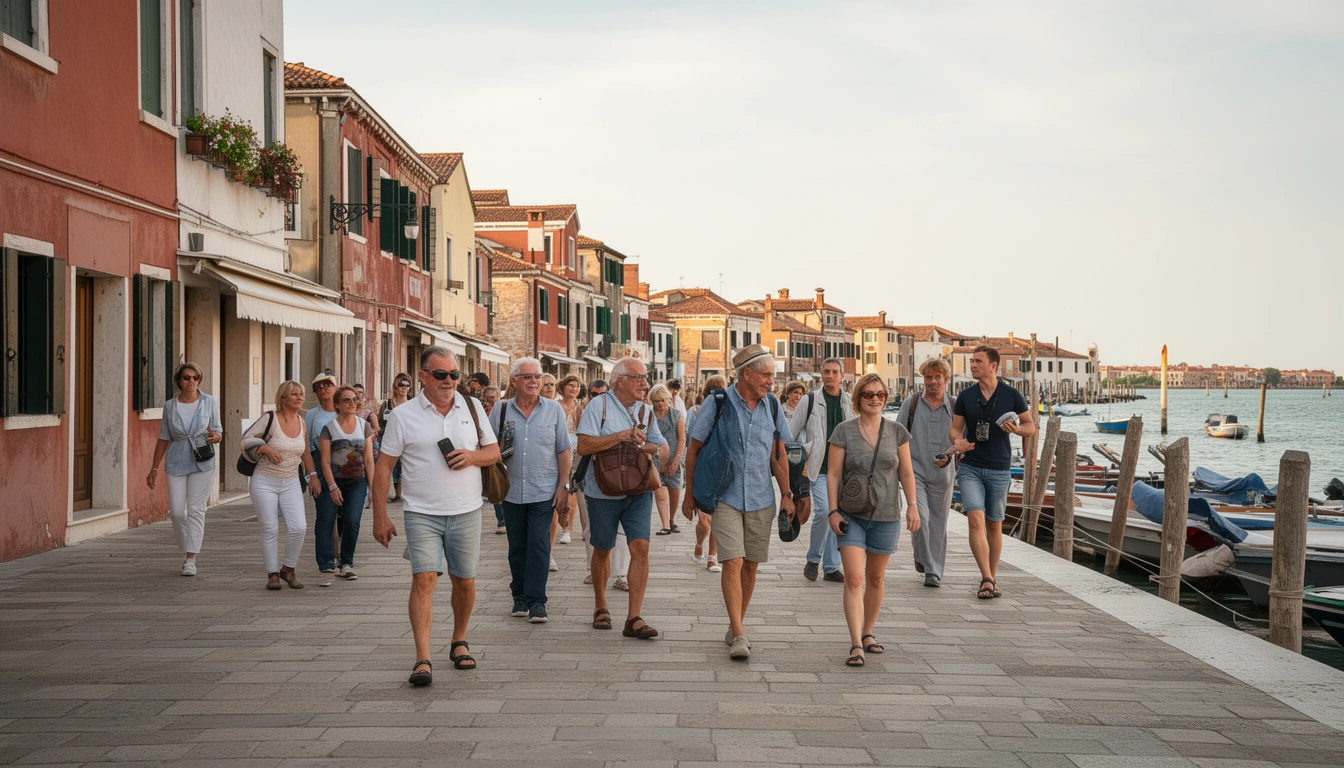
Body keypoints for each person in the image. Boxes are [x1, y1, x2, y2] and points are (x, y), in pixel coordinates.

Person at [371, 346, 499, 686]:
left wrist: (472, 457)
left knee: (465, 580)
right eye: (440, 375)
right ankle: (422, 658)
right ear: (423, 377)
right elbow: (384, 467)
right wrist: (379, 516)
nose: (448, 381)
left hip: (467, 509)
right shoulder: (403, 415)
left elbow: (494, 451)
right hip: (421, 512)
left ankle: (459, 639)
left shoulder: (471, 407)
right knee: (424, 579)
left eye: (454, 374)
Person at [683, 346, 796, 660]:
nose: (771, 382)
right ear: (746, 374)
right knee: (732, 561)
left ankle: (736, 626)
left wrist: (787, 495)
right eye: (766, 375)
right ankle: (740, 634)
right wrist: (689, 493)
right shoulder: (717, 403)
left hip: (762, 497)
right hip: (726, 495)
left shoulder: (772, 406)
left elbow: (779, 455)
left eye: (772, 376)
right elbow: (693, 450)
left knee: (750, 565)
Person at [826, 374, 920, 667]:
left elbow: (906, 472)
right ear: (858, 397)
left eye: (880, 394)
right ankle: (856, 644)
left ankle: (868, 632)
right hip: (851, 514)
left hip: (887, 513)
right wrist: (832, 510)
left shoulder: (897, 431)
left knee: (876, 578)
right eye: (868, 394)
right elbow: (833, 475)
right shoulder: (843, 431)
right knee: (854, 577)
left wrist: (913, 506)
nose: (875, 398)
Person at [576, 359, 667, 639]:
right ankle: (601, 606)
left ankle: (634, 618)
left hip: (638, 489)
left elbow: (661, 448)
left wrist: (642, 444)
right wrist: (621, 436)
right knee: (602, 549)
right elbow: (584, 444)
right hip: (602, 490)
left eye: (645, 377)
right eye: (638, 377)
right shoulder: (598, 406)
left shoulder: (647, 410)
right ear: (620, 381)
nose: (644, 383)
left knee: (640, 547)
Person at [948, 345, 1034, 600]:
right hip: (971, 466)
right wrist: (958, 442)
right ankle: (986, 577)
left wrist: (1017, 430)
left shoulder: (1011, 395)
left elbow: (1030, 426)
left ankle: (991, 578)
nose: (972, 365)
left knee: (994, 525)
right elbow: (954, 429)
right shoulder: (965, 395)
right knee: (975, 518)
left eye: (978, 361)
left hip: (999, 467)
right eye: (972, 361)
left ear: (993, 365)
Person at [491, 358, 572, 623]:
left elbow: (563, 449)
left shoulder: (554, 410)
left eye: (537, 376)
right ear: (514, 381)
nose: (534, 381)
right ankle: (520, 597)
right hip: (511, 490)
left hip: (544, 490)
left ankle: (537, 601)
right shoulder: (500, 410)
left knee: (538, 545)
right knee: (517, 546)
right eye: (527, 377)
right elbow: (488, 448)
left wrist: (563, 485)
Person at [241, 381, 322, 590]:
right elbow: (246, 440)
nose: (299, 397)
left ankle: (288, 569)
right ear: (283, 398)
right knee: (270, 528)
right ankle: (272, 574)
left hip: (291, 481)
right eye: (294, 394)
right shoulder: (269, 418)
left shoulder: (302, 423)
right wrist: (265, 449)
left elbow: (304, 452)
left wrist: (313, 475)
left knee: (299, 527)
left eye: (301, 394)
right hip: (264, 480)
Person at [146, 362, 223, 576]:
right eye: (187, 378)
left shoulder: (209, 402)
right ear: (179, 381)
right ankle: (186, 546)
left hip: (202, 460)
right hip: (176, 459)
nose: (191, 381)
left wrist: (216, 437)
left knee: (197, 509)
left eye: (195, 378)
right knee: (178, 512)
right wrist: (154, 468)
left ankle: (191, 558)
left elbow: (218, 430)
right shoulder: (170, 406)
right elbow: (164, 437)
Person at [787, 358, 853, 584]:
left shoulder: (849, 402)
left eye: (835, 372)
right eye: (826, 371)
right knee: (825, 511)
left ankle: (832, 566)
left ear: (842, 376)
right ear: (821, 375)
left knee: (840, 516)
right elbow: (791, 434)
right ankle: (813, 559)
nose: (830, 376)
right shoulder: (810, 400)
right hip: (818, 469)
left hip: (844, 471)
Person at [895, 359, 956, 587]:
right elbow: (897, 437)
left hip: (944, 473)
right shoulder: (911, 404)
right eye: (928, 377)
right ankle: (925, 559)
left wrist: (950, 455)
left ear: (946, 379)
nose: (932, 382)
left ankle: (933, 571)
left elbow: (963, 439)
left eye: (937, 377)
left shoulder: (955, 406)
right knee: (920, 516)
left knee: (938, 522)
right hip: (914, 471)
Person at [319, 385, 376, 580]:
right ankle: (326, 562)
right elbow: (325, 461)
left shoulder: (364, 426)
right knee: (327, 520)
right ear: (337, 404)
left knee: (352, 521)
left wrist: (373, 489)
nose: (352, 403)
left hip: (357, 482)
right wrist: (332, 486)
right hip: (332, 480)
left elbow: (369, 460)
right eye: (346, 400)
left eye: (354, 400)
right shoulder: (329, 428)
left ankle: (346, 563)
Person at [686, 376, 725, 572]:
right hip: (703, 466)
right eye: (714, 391)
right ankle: (699, 543)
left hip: (720, 467)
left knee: (717, 517)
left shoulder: (729, 410)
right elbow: (691, 442)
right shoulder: (695, 412)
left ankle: (712, 557)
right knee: (704, 520)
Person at [580, 379, 608, 585]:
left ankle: (619, 573)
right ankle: (592, 569)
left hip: (612, 474)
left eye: (602, 395)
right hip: (585, 473)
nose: (597, 399)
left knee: (619, 530)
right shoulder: (582, 411)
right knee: (590, 525)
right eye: (593, 395)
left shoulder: (612, 411)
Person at [649, 384, 686, 537]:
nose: (660, 404)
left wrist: (676, 460)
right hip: (655, 458)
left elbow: (682, 438)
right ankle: (665, 525)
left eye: (663, 400)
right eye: (657, 401)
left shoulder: (676, 415)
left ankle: (671, 520)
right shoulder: (649, 415)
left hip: (674, 458)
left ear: (668, 399)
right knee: (660, 491)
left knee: (674, 491)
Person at [555, 375, 585, 545]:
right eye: (571, 386)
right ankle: (560, 524)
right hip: (557, 450)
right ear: (563, 387)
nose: (574, 389)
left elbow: (582, 433)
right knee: (559, 490)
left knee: (571, 492)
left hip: (574, 452)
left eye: (577, 386)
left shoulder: (580, 408)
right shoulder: (555, 406)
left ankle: (568, 528)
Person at [379, 373, 413, 502]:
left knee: (406, 466)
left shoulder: (413, 404)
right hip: (389, 438)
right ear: (396, 388)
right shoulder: (387, 404)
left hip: (408, 438)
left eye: (407, 385)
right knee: (391, 466)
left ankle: (402, 494)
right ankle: (393, 494)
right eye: (401, 385)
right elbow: (380, 420)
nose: (404, 388)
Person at [481, 385, 505, 534]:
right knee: (495, 486)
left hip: (503, 451)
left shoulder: (504, 408)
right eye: (487, 398)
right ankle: (502, 521)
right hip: (490, 454)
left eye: (493, 398)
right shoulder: (480, 410)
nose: (490, 401)